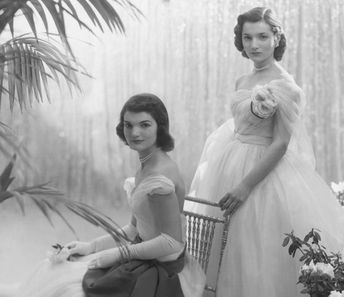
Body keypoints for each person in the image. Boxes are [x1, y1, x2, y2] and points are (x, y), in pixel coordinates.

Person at [187, 7, 344, 297]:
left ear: (276, 38)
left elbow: (280, 144)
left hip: (261, 177)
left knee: (258, 249)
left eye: (263, 36)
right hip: (228, 166)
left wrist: (244, 186)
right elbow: (238, 125)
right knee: (225, 247)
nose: (254, 45)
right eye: (248, 37)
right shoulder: (242, 82)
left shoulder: (286, 87)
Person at [2, 93, 205, 297]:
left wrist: (117, 254)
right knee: (53, 269)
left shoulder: (161, 176)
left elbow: (172, 242)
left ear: (160, 127)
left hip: (164, 272)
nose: (134, 133)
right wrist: (91, 246)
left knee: (69, 291)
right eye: (128, 125)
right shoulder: (147, 165)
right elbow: (135, 230)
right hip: (143, 257)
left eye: (144, 125)